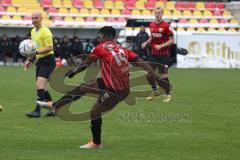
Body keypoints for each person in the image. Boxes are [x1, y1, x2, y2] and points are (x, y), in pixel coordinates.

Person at [36, 26, 170, 148]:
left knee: (94, 112)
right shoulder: (124, 50)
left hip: (115, 91)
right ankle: (56, 105)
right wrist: (156, 77)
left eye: (100, 36)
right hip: (112, 85)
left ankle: (96, 143)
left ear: (104, 37)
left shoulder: (100, 48)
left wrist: (73, 72)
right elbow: (143, 63)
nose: (98, 38)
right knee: (84, 87)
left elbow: (86, 64)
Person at [25, 12, 56, 118]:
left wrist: (37, 53)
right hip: (40, 61)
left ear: (41, 19)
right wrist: (30, 60)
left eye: (36, 18)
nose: (34, 19)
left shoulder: (46, 31)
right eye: (32, 17)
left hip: (48, 61)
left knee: (39, 85)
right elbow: (34, 49)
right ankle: (54, 109)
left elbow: (50, 47)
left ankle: (37, 111)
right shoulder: (33, 31)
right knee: (42, 88)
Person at [142, 7, 174, 102]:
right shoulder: (151, 25)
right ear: (153, 13)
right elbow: (152, 36)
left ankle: (168, 95)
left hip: (164, 55)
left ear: (162, 14)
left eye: (159, 13)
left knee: (163, 76)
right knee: (147, 74)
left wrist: (161, 46)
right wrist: (146, 42)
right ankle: (155, 91)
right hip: (154, 54)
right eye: (156, 12)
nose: (157, 14)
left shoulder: (166, 26)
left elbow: (172, 40)